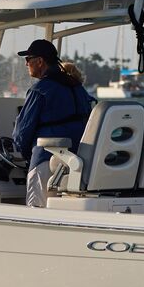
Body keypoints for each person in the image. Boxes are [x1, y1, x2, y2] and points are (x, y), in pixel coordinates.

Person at [11, 39, 94, 207]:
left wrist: (27, 157)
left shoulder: (39, 90)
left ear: (40, 61)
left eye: (28, 59)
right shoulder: (78, 88)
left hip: (45, 160)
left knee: (37, 212)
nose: (26, 64)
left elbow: (22, 133)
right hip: (78, 162)